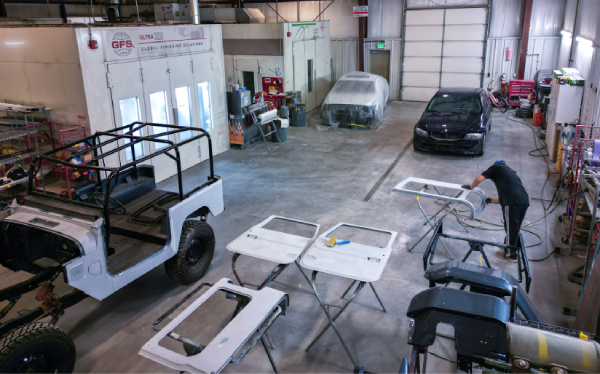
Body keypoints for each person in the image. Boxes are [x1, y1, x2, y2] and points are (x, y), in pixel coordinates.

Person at [462, 160, 529, 262]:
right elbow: (504, 199)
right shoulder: (511, 175)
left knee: (511, 228)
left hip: (512, 203)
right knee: (514, 227)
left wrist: (471, 187)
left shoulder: (495, 168)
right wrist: (489, 201)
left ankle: (511, 255)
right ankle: (510, 247)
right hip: (524, 201)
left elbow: (478, 179)